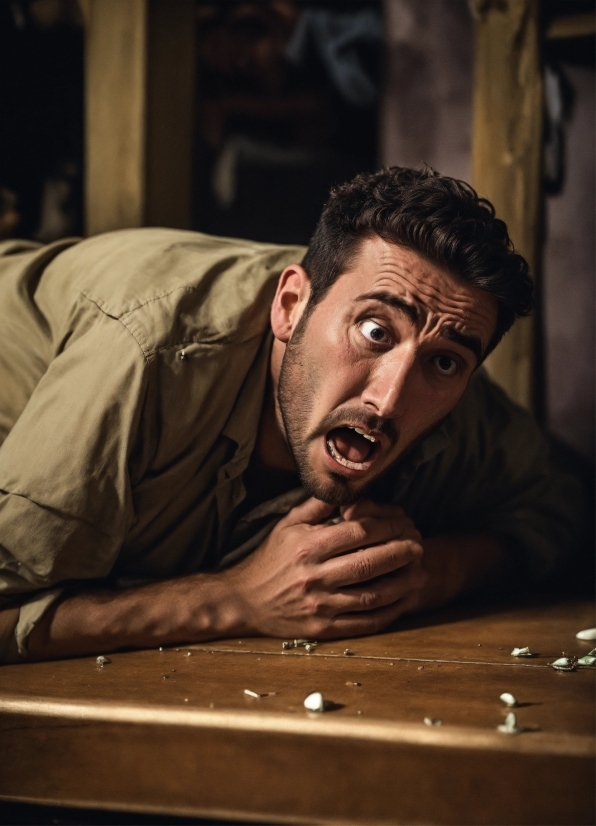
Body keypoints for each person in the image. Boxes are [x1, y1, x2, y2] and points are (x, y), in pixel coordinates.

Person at [0, 167, 580, 663]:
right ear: (290, 305)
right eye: (375, 331)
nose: (389, 399)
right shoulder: (146, 354)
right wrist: (234, 600)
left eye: (446, 363)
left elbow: (564, 506)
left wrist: (429, 572)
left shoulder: (449, 380)